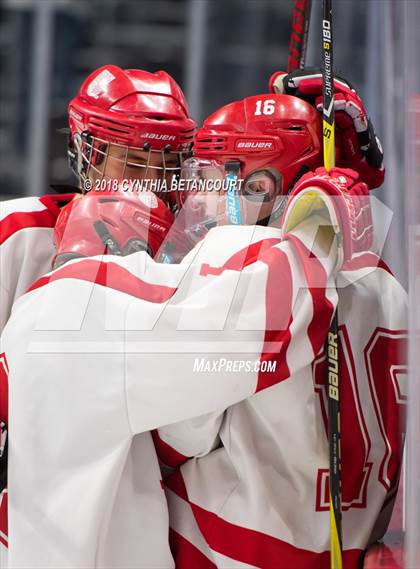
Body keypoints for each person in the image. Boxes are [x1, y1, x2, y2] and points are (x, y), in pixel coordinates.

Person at [153, 79, 407, 568]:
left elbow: (175, 435)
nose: (198, 198)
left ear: (263, 187)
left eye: (212, 179)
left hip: (228, 549)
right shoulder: (388, 286)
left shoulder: (239, 268)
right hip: (343, 548)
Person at [0, 63, 196, 566]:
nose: (150, 184)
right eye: (132, 162)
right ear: (89, 153)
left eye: (166, 166)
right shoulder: (17, 233)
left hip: (137, 519)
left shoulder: (194, 257)